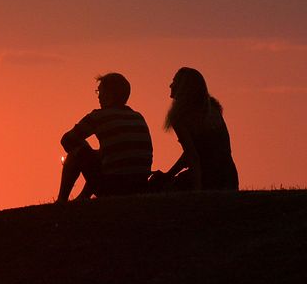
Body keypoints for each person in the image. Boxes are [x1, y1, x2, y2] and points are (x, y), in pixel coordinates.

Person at [57, 73, 153, 202]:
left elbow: (67, 140)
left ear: (108, 94)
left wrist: (87, 152)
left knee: (76, 152)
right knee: (93, 155)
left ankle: (61, 201)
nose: (98, 97)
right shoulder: (138, 116)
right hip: (141, 185)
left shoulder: (98, 116)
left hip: (113, 187)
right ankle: (82, 198)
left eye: (99, 92)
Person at [150, 67, 238, 191]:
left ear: (183, 88)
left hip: (207, 177)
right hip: (229, 176)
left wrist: (197, 190)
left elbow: (193, 157)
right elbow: (195, 152)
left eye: (175, 81)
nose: (170, 85)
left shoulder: (180, 116)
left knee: (156, 188)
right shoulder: (212, 109)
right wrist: (169, 175)